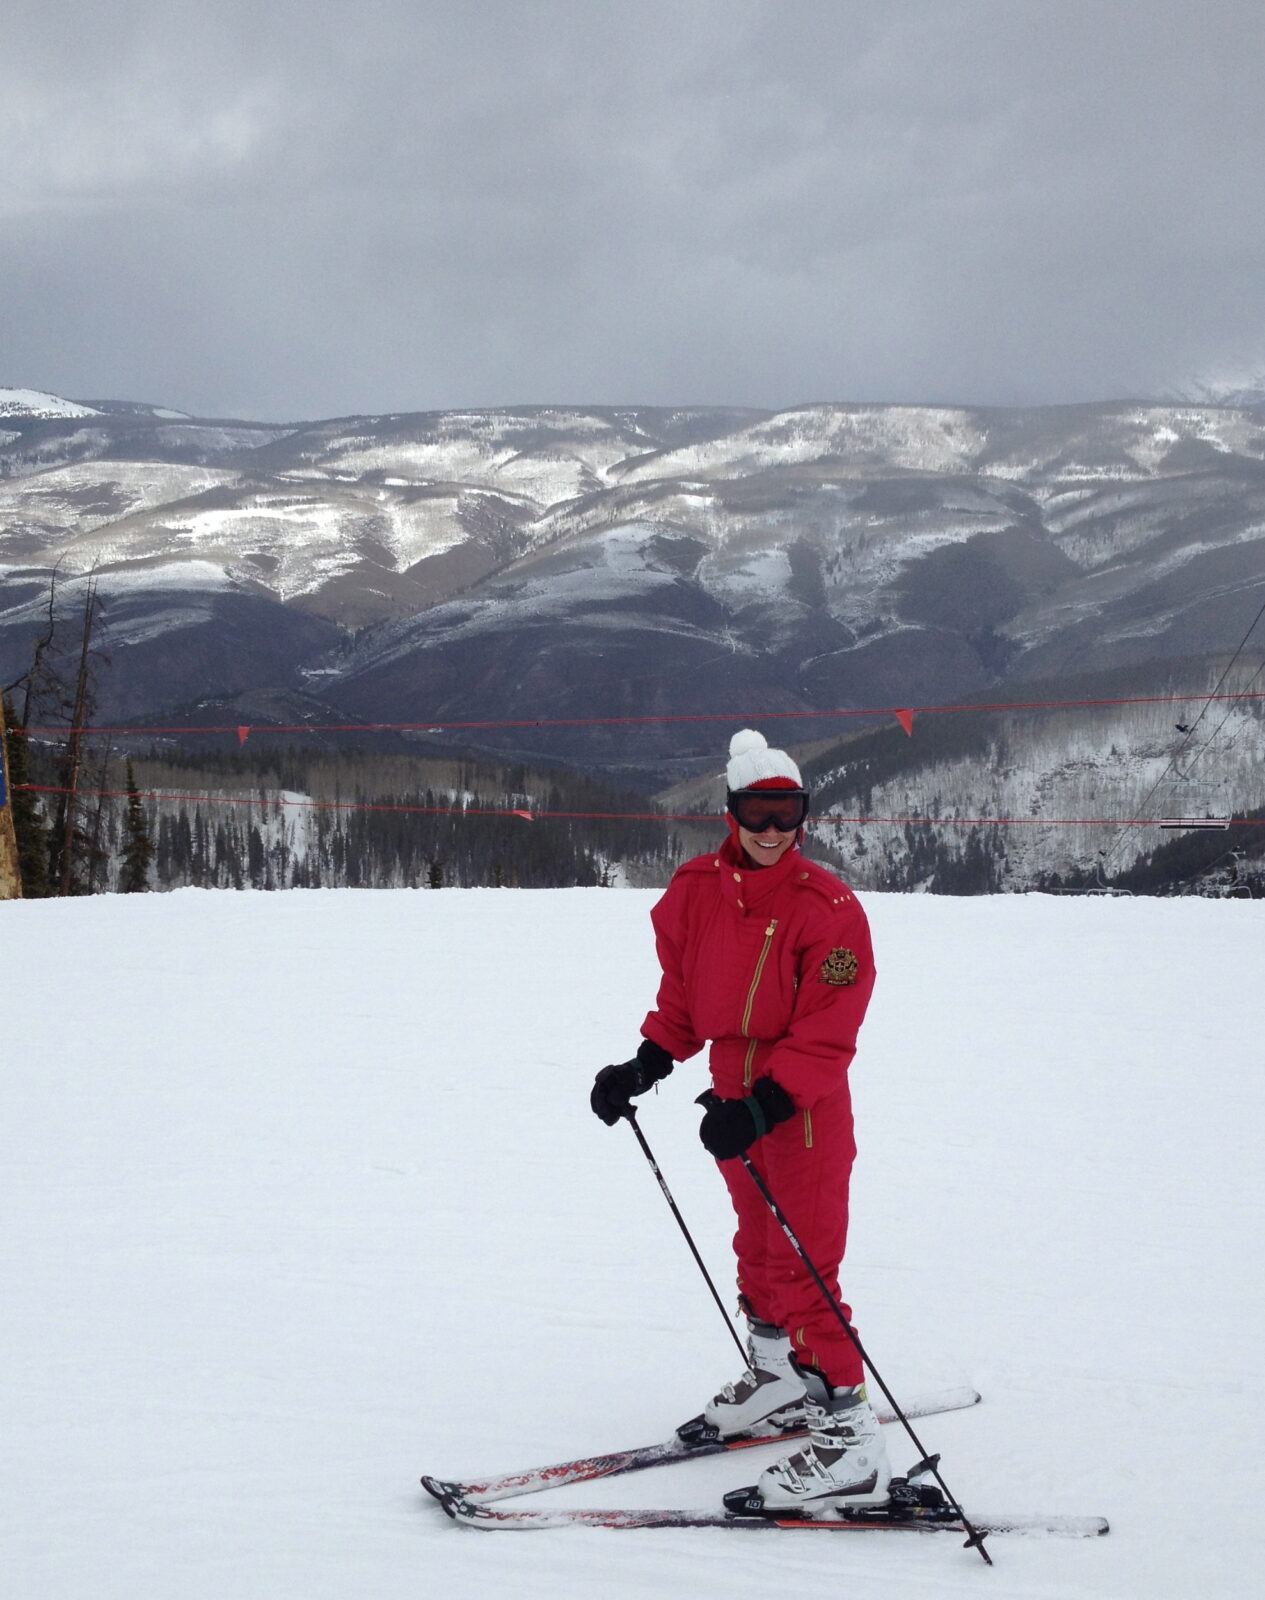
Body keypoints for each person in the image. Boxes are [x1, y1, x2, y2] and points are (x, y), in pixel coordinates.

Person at [590, 728, 887, 1511]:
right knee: (756, 1245)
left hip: (802, 1110)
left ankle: (851, 1438)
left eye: (786, 812)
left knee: (804, 1265)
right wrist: (642, 1067)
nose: (770, 830)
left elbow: (829, 1031)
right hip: (731, 1097)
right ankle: (777, 1375)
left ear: (803, 816)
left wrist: (766, 1104)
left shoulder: (827, 909)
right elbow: (684, 1003)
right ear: (730, 812)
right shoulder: (692, 891)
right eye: (757, 812)